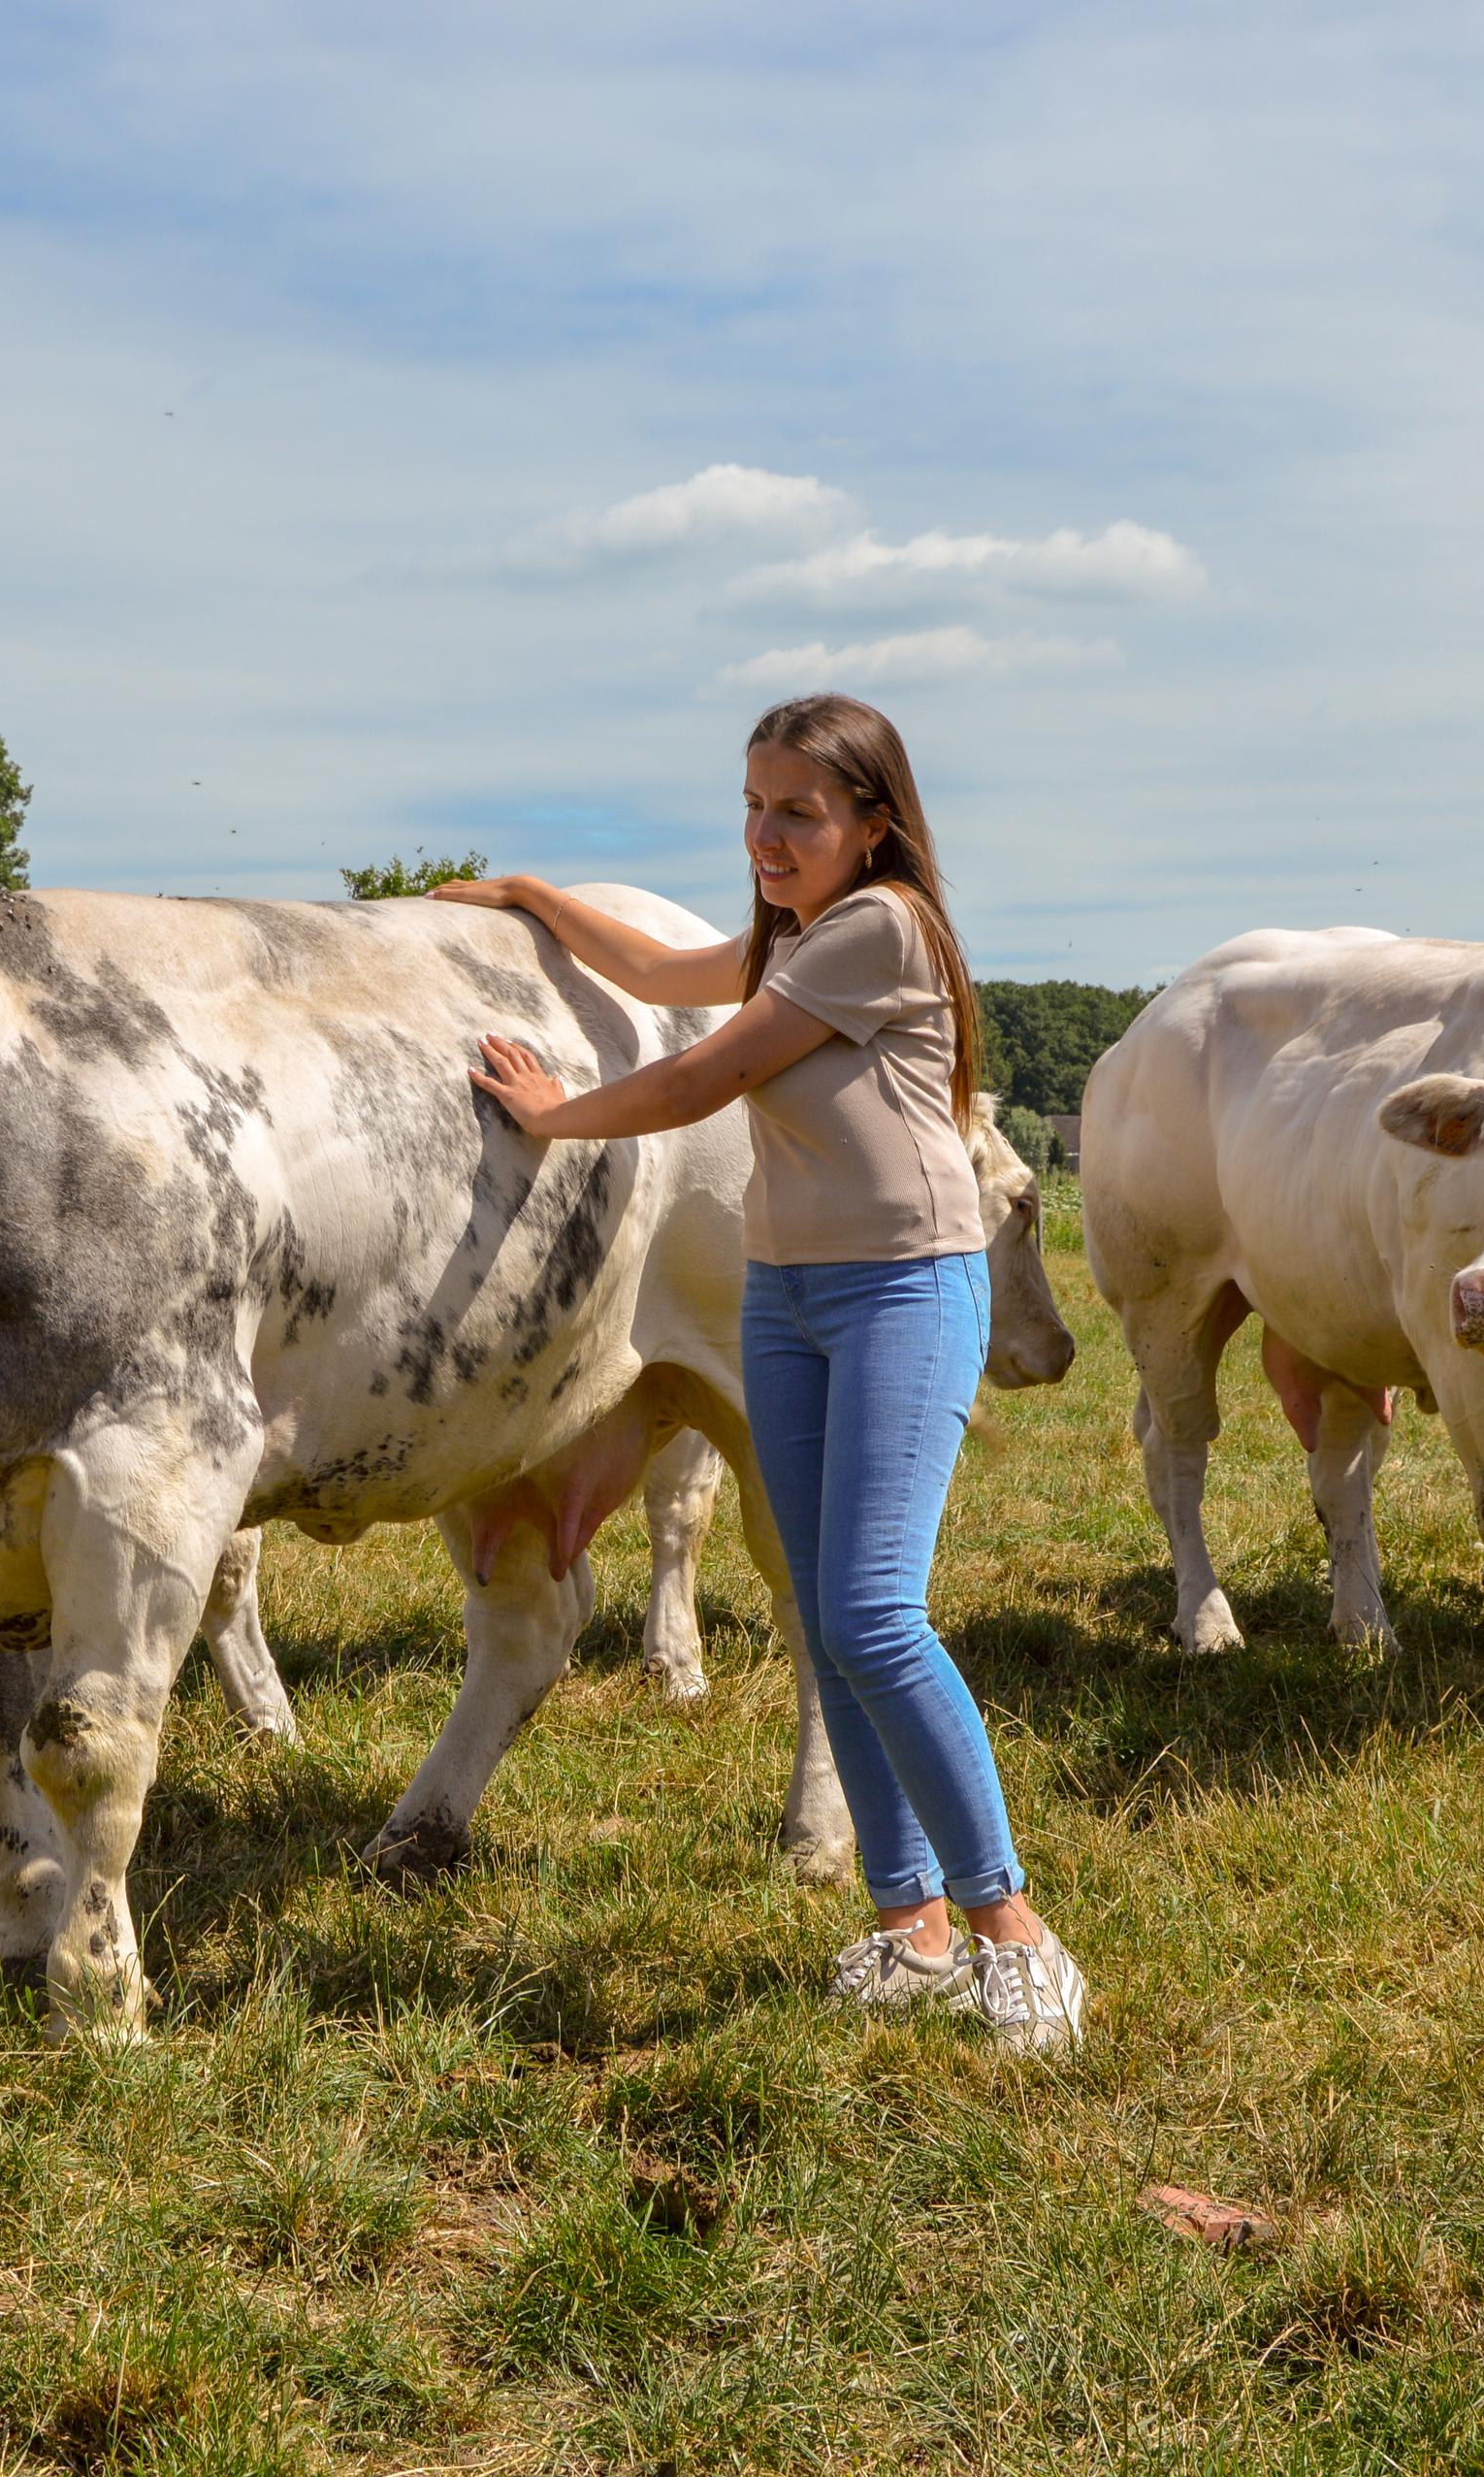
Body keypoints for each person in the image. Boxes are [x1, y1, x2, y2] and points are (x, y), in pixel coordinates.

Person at [432, 694, 1089, 2057]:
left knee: (870, 1614)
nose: (766, 834)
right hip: (785, 1298)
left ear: (873, 824)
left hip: (906, 1289)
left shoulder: (881, 932)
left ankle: (1012, 1929)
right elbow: (672, 977)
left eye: (799, 810)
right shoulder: (798, 938)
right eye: (752, 803)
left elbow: (700, 1074)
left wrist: (554, 1116)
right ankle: (908, 1922)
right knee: (821, 1609)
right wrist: (543, 898)